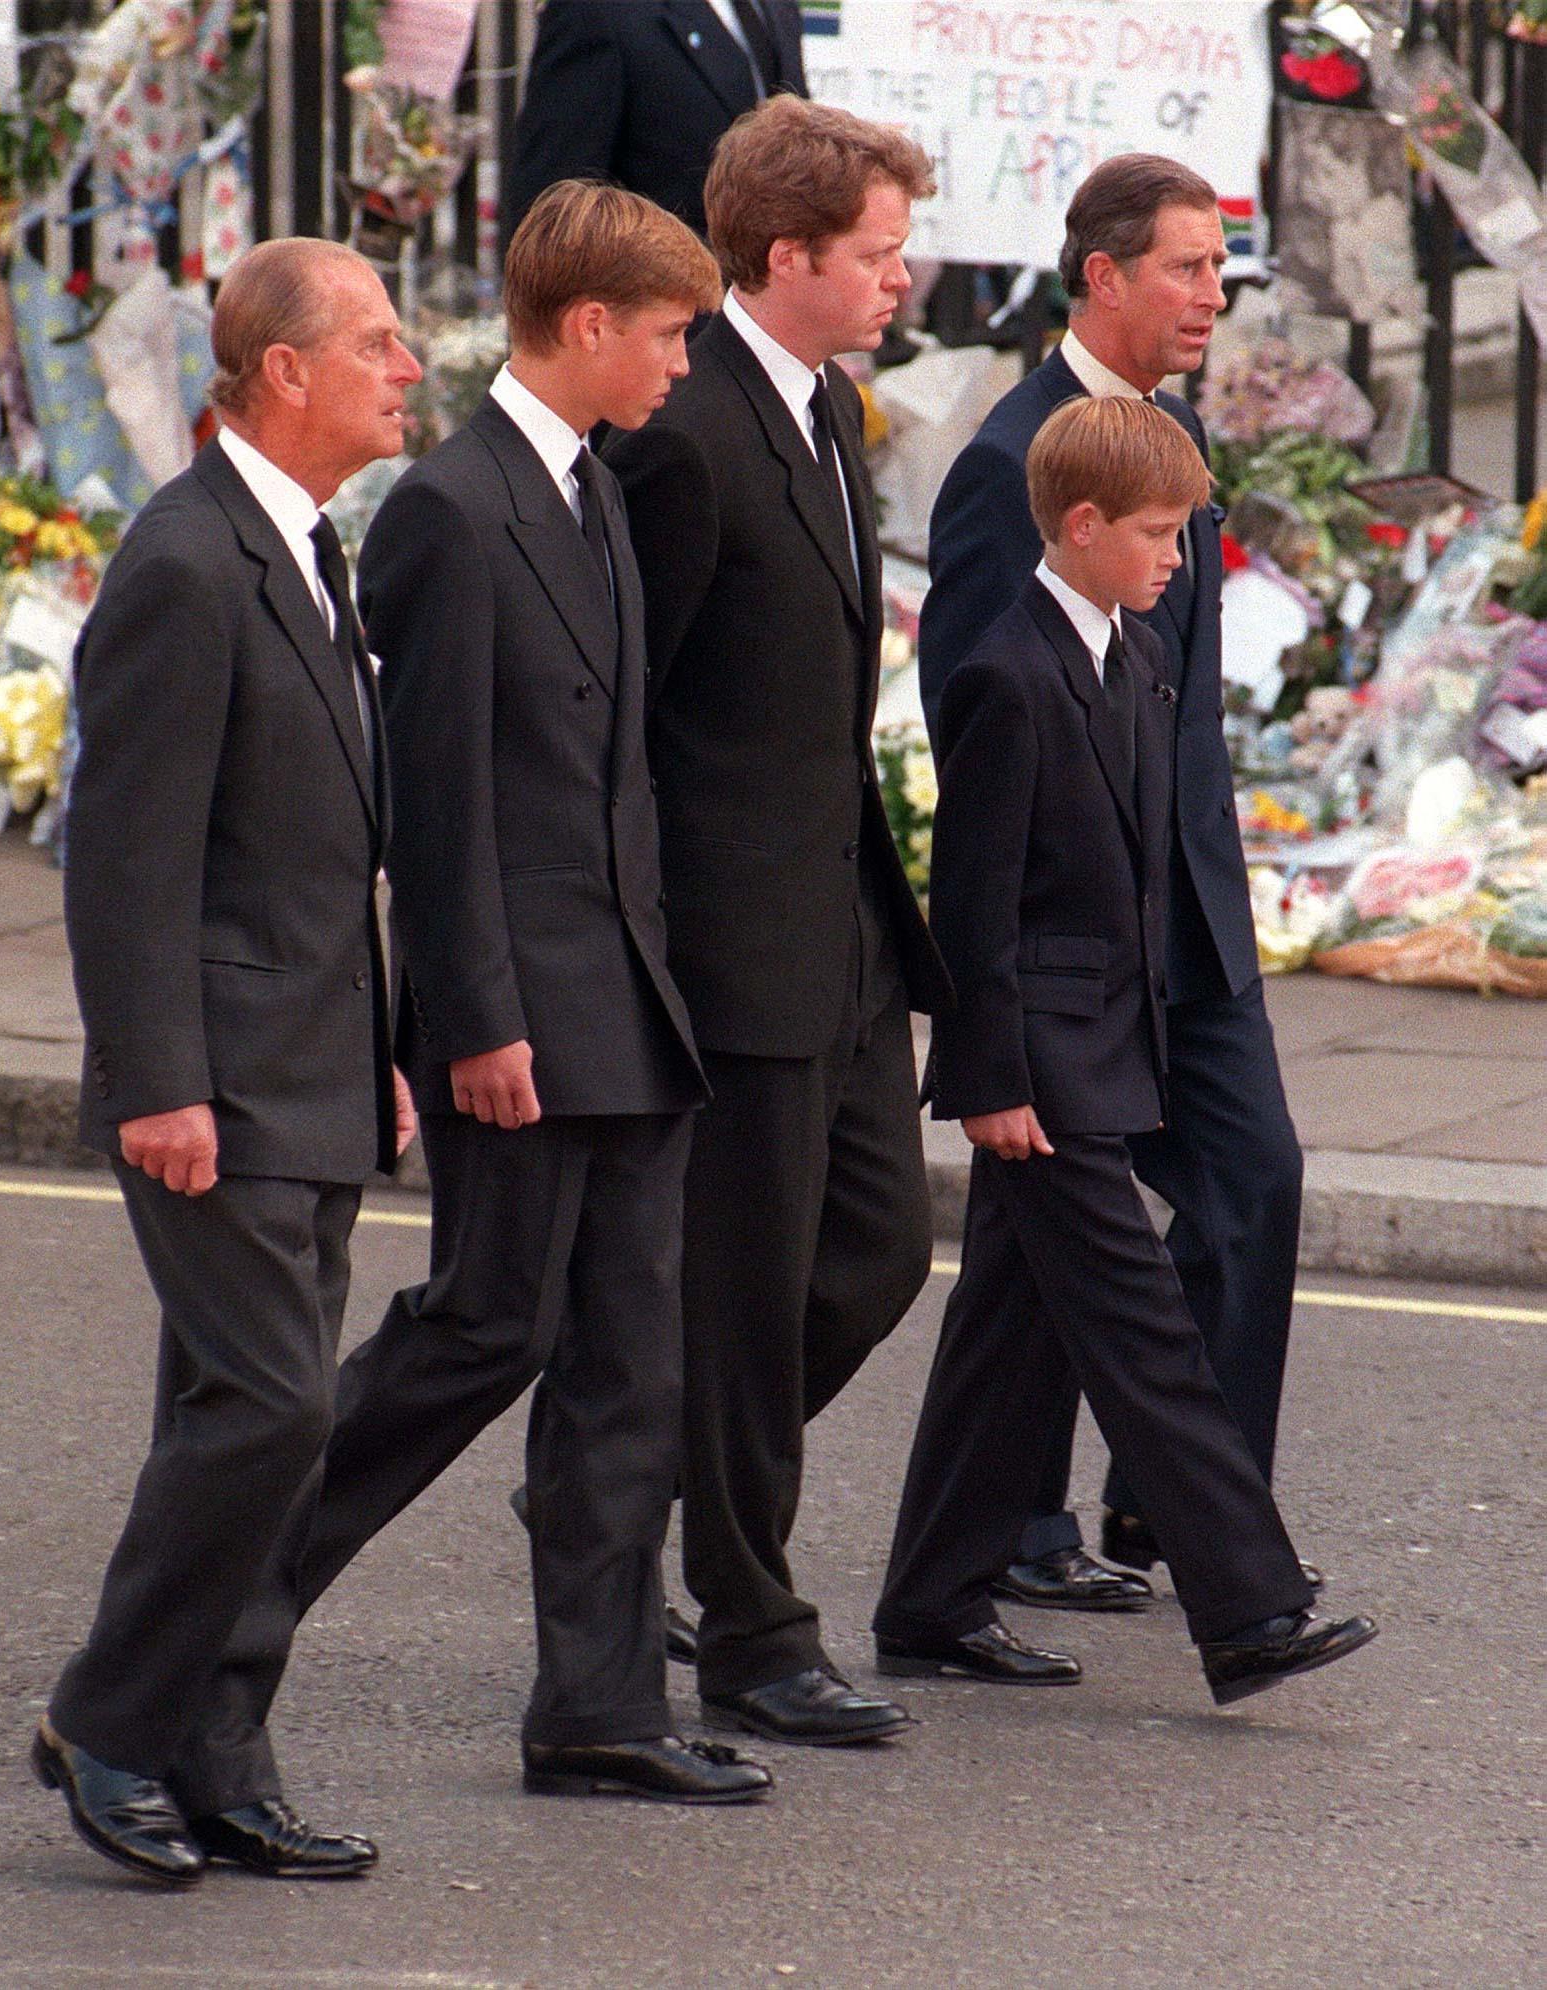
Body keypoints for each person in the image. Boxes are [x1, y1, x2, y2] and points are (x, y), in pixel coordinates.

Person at [180, 181, 773, 1810]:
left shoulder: (593, 485)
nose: (681, 364)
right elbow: (435, 804)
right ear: (588, 326)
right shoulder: (452, 507)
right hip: (524, 1015)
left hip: (628, 1005)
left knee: (628, 1364)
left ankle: (597, 1707)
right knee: (478, 1332)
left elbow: (615, 776)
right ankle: (201, 1625)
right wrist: (471, 1018)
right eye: (668, 335)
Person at [606, 95, 1067, 1751]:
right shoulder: (682, 426)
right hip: (734, 947)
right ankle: (750, 1625)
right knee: (741, 1294)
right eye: (875, 255)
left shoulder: (828, 404)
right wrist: (646, 945)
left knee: (872, 1258)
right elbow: (626, 720)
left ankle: (619, 1487)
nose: (901, 278)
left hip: (847, 926)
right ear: (784, 255)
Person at [873, 396, 1377, 1707]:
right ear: (1079, 526)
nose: (1178, 558)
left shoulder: (1135, 654)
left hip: (1108, 1045)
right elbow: (971, 907)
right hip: (1037, 1071)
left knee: (1005, 1337)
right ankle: (1250, 1606)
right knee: (1148, 1336)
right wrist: (986, 1079)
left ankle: (929, 1598)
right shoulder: (1004, 672)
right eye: (1157, 533)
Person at [34, 238, 422, 1885]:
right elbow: (125, 857)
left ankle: (214, 1745)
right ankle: (110, 1723)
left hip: (316, 1061)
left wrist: (388, 1046)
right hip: (218, 1078)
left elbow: (326, 846)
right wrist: (155, 1081)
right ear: (284, 371)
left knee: (240, 1414)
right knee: (268, 1408)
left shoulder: (313, 549)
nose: (410, 368)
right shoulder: (187, 563)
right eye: (382, 343)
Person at [917, 154, 1316, 1615]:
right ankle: (1035, 1530)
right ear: (1102, 275)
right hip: (1077, 935)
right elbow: (984, 723)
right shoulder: (1004, 464)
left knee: (1250, 1178)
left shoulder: (1174, 429)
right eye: (1187, 268)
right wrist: (1001, 996)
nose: (1212, 294)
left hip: (1191, 908)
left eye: (1219, 270)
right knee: (1039, 1240)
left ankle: (1164, 1505)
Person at [505, 0, 807, 244]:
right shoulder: (597, 11)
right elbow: (551, 208)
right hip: (665, 303)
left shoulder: (776, 9)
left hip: (774, 306)